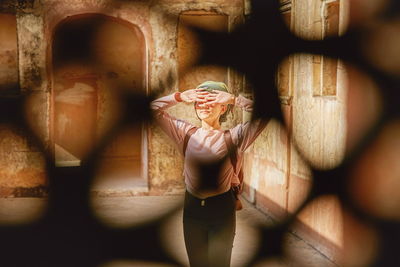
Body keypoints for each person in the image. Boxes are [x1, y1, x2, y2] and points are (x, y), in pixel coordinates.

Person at [151, 81, 268, 267]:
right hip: (192, 210)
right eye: (200, 101)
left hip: (221, 210)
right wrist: (179, 97)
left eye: (211, 101)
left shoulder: (235, 137)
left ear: (223, 108)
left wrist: (233, 99)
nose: (204, 105)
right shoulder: (184, 133)